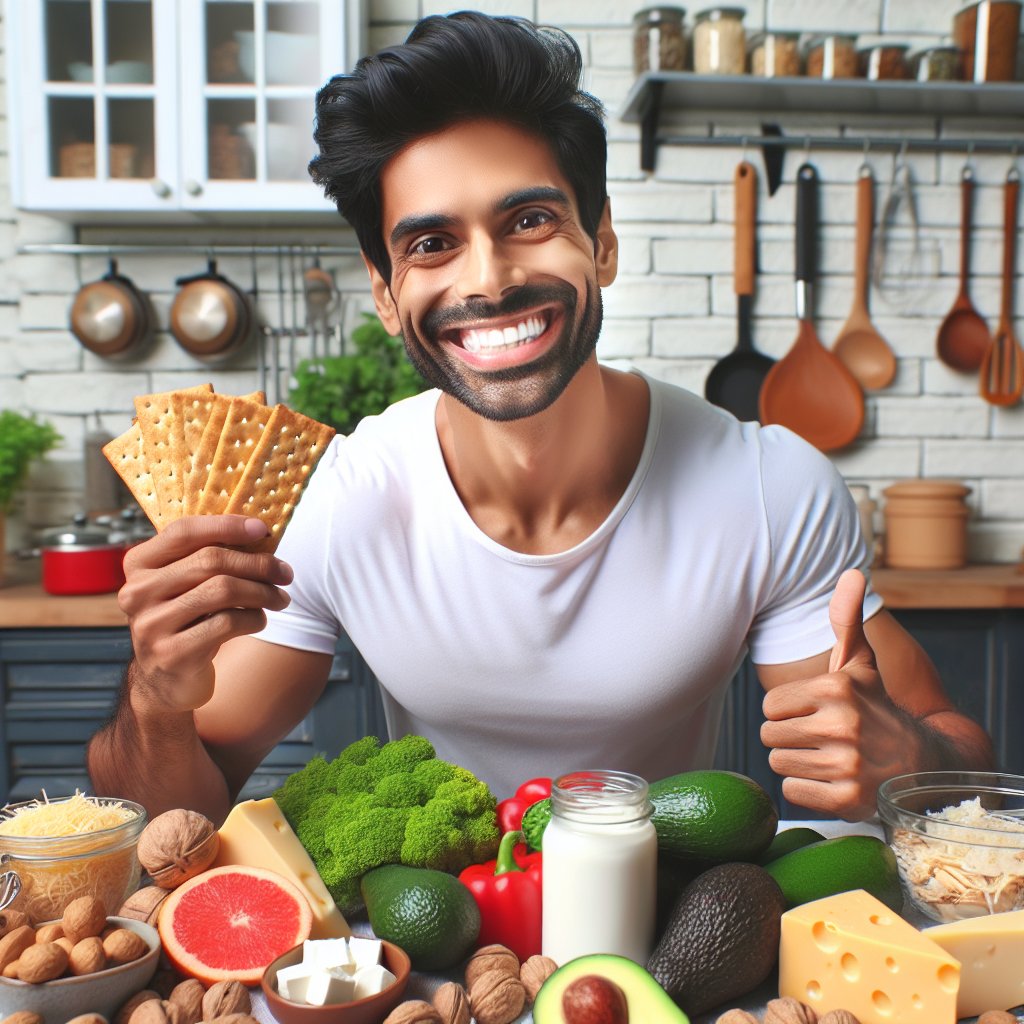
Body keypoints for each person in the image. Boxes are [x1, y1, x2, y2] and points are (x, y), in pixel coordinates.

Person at [87, 11, 993, 825]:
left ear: (599, 242)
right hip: (435, 953)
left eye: (527, 219)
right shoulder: (339, 499)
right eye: (432, 244)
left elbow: (957, 756)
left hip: (681, 938)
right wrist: (157, 702)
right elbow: (166, 811)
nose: (486, 278)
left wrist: (912, 760)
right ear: (388, 295)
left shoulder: (766, 484)